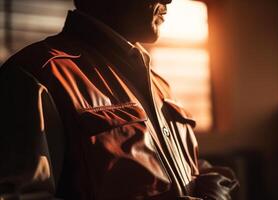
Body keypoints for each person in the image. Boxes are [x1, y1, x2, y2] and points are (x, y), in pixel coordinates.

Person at [0, 0, 239, 199]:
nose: (168, 0)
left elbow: (173, 168)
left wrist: (207, 182)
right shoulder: (38, 75)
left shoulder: (159, 84)